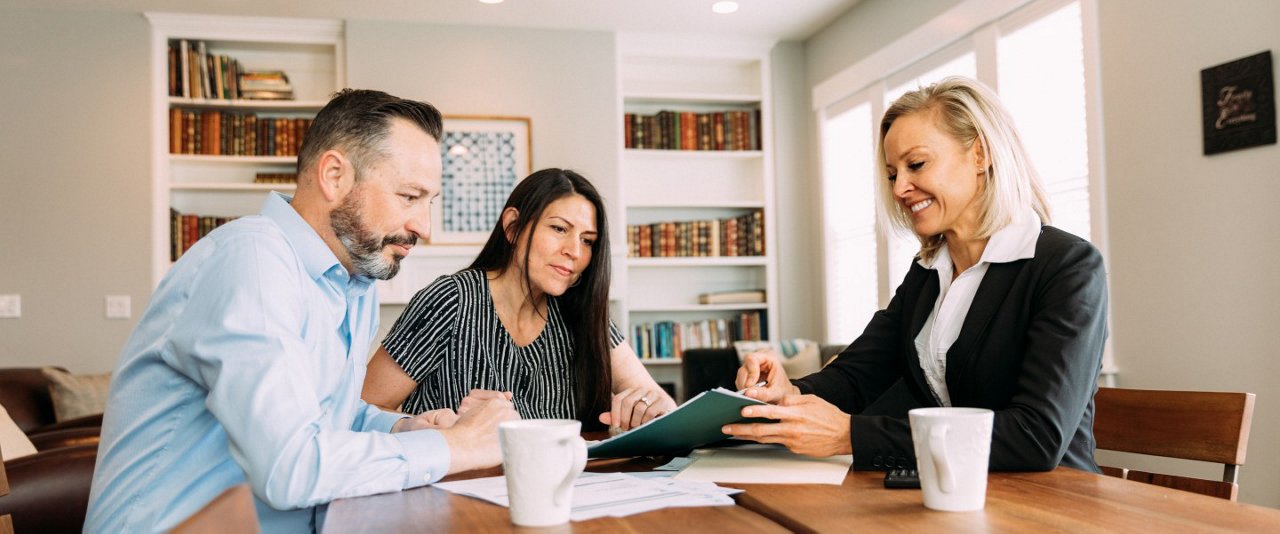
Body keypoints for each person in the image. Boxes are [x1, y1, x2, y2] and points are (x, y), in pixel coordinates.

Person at [85, 89, 520, 532]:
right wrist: (461, 447)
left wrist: (413, 429)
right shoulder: (251, 260)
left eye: (431, 202)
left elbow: (333, 414)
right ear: (333, 175)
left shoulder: (354, 279)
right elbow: (290, 468)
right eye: (410, 196)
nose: (423, 227)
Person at [724, 76, 1108, 472]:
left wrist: (850, 435)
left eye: (917, 164)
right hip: (956, 492)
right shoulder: (928, 272)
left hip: (1053, 503)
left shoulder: (1068, 266)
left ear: (981, 155)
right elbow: (860, 375)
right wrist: (790, 392)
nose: (900, 188)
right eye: (892, 174)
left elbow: (1035, 436)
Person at [362, 168, 677, 433]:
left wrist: (656, 407)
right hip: (455, 490)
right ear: (513, 227)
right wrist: (443, 427)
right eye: (559, 229)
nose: (575, 251)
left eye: (587, 240)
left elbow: (657, 401)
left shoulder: (582, 312)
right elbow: (366, 407)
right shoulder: (451, 300)